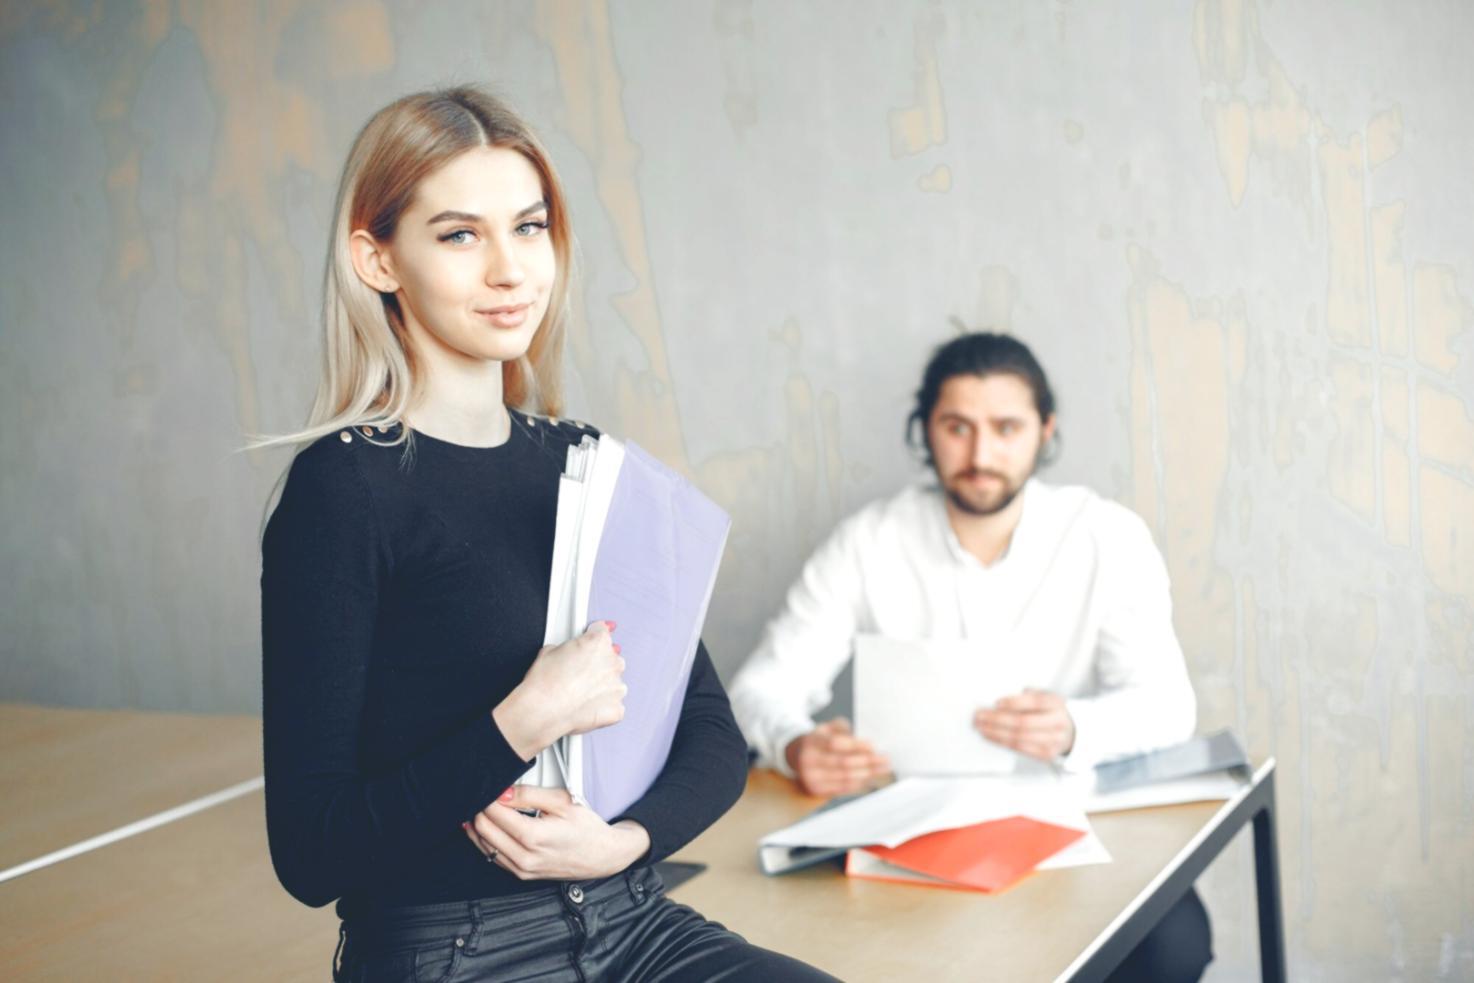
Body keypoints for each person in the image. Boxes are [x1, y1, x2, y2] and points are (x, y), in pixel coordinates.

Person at [259, 85, 835, 983]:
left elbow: (715, 733)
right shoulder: (344, 489)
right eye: (459, 235)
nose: (510, 270)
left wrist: (623, 844)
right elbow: (311, 851)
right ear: (377, 259)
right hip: (452, 953)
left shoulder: (587, 465)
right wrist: (520, 721)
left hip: (634, 918)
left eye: (529, 228)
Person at [728, 331, 1213, 981]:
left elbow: (1167, 706)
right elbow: (759, 689)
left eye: (1006, 427)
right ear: (925, 430)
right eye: (957, 427)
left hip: (1068, 822)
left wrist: (1074, 726)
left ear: (1045, 430)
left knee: (1171, 942)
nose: (981, 454)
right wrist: (795, 745)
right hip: (909, 834)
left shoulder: (1107, 536)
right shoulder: (869, 541)